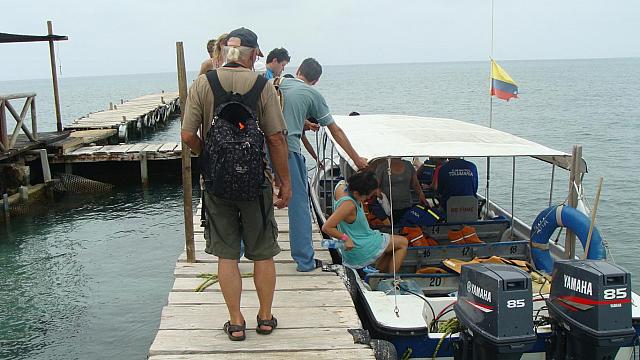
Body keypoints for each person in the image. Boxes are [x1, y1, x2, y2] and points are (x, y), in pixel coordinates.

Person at [181, 27, 290, 341]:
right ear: (253, 54)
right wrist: (285, 182)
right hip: (256, 181)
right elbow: (276, 138)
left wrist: (209, 155)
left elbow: (188, 136)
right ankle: (266, 318)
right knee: (263, 252)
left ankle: (236, 321)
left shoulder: (203, 83)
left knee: (226, 255)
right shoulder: (263, 85)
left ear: (226, 51)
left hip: (217, 184)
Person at [277, 57, 368, 272]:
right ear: (316, 81)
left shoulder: (279, 83)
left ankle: (241, 251)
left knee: (256, 202)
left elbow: (284, 113)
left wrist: (303, 123)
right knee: (299, 206)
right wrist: (356, 159)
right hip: (288, 150)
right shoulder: (313, 95)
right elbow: (335, 130)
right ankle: (305, 261)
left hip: (263, 150)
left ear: (297, 70)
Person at [322, 171, 408, 273]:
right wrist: (345, 238)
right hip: (359, 246)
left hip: (362, 238)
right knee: (403, 242)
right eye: (368, 196)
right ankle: (391, 280)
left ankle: (378, 276)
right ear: (356, 193)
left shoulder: (341, 187)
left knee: (391, 247)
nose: (368, 198)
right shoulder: (348, 205)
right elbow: (326, 227)